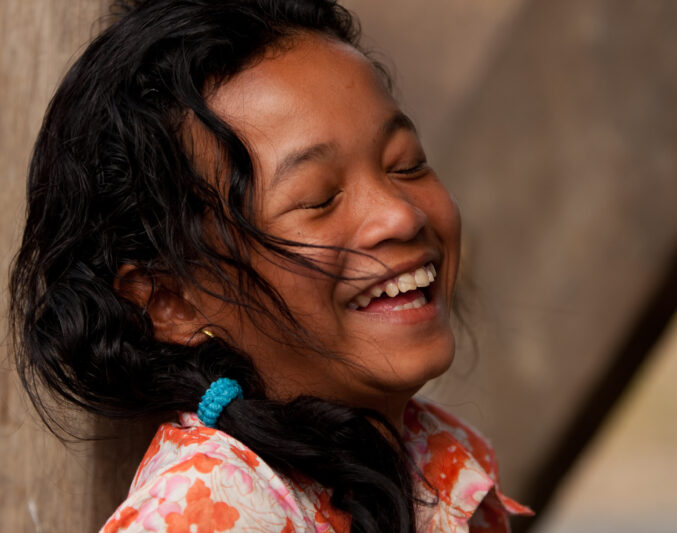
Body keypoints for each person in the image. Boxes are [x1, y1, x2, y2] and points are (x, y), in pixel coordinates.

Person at [9, 0, 532, 531]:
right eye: (317, 199)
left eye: (407, 163)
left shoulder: (429, 454)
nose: (401, 215)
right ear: (172, 302)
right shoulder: (207, 514)